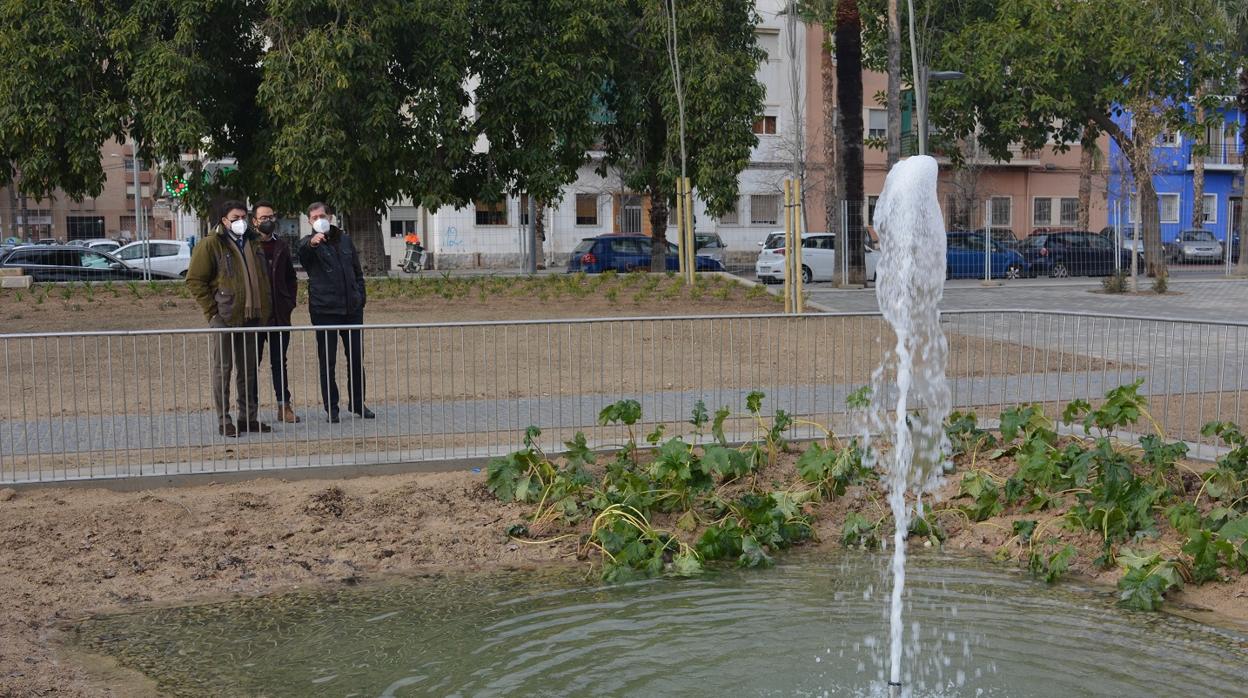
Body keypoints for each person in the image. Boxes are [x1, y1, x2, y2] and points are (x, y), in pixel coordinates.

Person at [185, 200, 273, 437]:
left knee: (248, 371)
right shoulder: (211, 244)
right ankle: (224, 419)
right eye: (235, 218)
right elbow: (195, 280)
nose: (241, 221)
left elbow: (262, 277)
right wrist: (212, 312)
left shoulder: (253, 242)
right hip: (224, 316)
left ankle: (248, 418)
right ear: (224, 220)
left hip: (251, 316)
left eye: (244, 216)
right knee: (223, 369)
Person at [297, 202, 373, 422]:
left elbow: (357, 273)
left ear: (330, 217)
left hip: (351, 309)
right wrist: (312, 243)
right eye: (314, 217)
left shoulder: (345, 240)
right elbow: (303, 255)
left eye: (322, 215)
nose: (319, 219)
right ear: (309, 221)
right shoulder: (308, 244)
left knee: (356, 359)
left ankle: (358, 403)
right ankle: (332, 408)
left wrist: (360, 297)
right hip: (325, 311)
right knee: (328, 361)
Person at [252, 201, 301, 423]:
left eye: (271, 217)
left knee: (279, 362)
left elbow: (291, 277)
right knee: (252, 363)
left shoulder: (281, 245)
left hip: (280, 315)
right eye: (263, 218)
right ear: (254, 221)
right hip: (255, 316)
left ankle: (284, 406)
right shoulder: (248, 246)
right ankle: (250, 410)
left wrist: (289, 301)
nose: (268, 221)